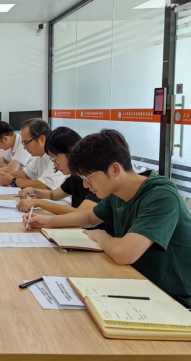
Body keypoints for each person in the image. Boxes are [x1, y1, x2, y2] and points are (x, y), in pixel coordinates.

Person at [24, 129, 191, 307]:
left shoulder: (161, 196)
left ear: (115, 169)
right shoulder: (116, 193)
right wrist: (47, 221)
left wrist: (100, 236)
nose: (85, 185)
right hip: (139, 283)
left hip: (175, 299)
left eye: (88, 177)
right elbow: (89, 217)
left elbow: (124, 253)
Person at [16, 127, 109, 228]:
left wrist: (39, 203)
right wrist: (33, 191)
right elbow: (53, 195)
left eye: (55, 159)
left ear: (70, 153)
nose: (55, 165)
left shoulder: (95, 180)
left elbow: (82, 214)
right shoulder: (75, 177)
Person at [0, 119, 66, 190]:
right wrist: (7, 174)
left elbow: (46, 186)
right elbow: (27, 175)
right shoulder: (39, 155)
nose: (24, 148)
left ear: (42, 139)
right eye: (23, 143)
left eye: (26, 143)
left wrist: (12, 180)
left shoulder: (56, 156)